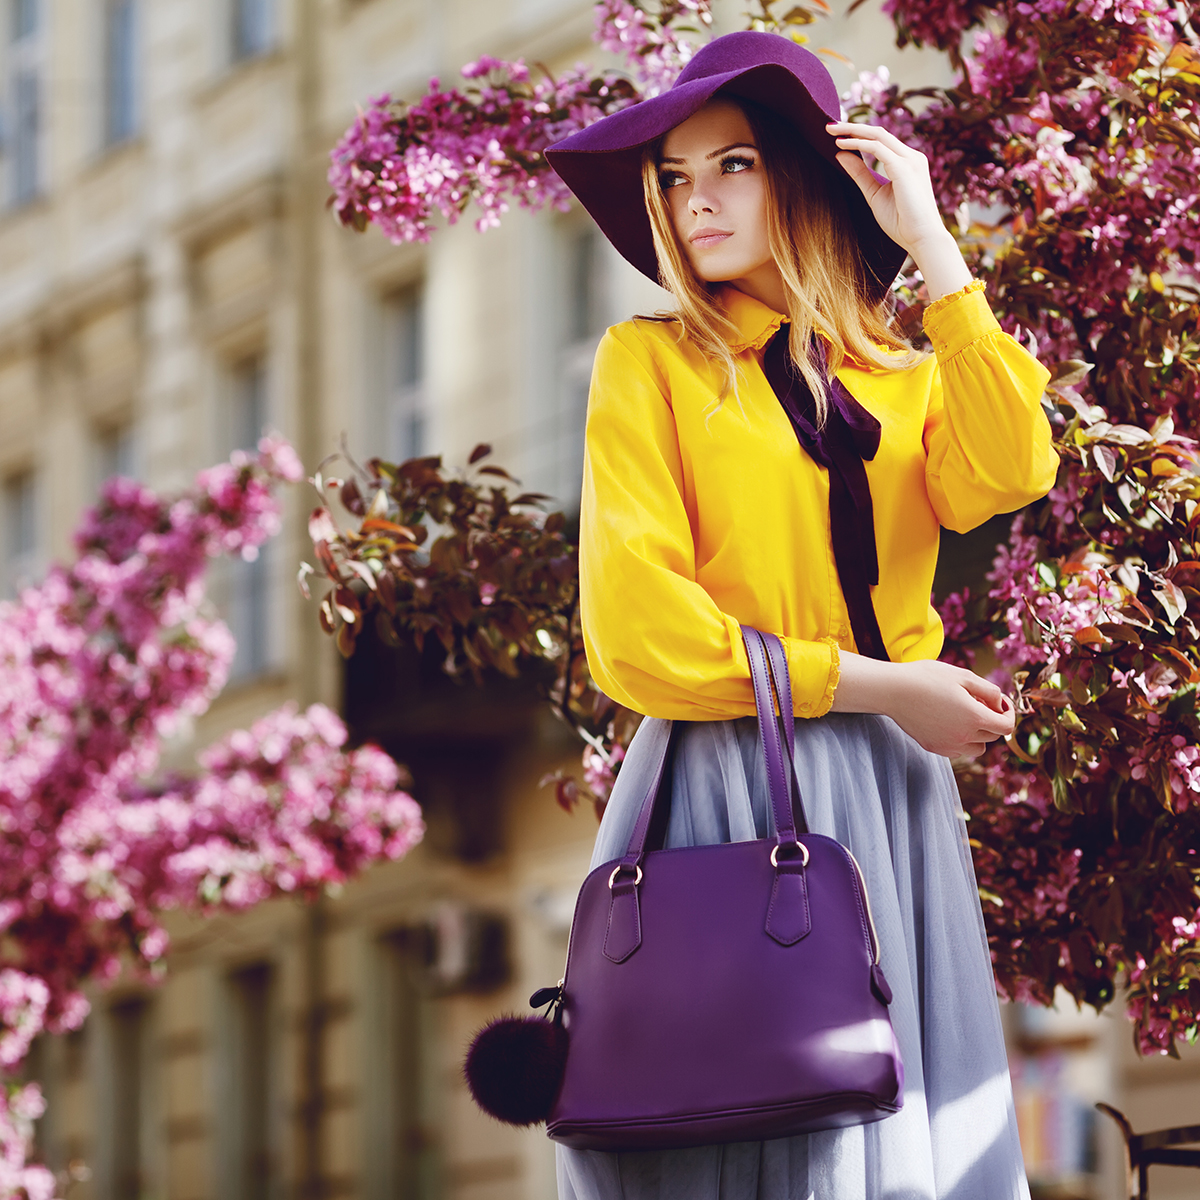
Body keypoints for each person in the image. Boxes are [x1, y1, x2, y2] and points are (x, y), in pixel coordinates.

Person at [544, 29, 1058, 1200]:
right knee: (739, 1125)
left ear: (803, 171)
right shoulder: (650, 363)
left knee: (896, 1129)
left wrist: (929, 239)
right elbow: (638, 631)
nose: (694, 202)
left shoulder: (901, 370)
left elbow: (1017, 463)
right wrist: (890, 688)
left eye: (730, 165)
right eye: (673, 179)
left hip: (891, 789)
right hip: (727, 774)